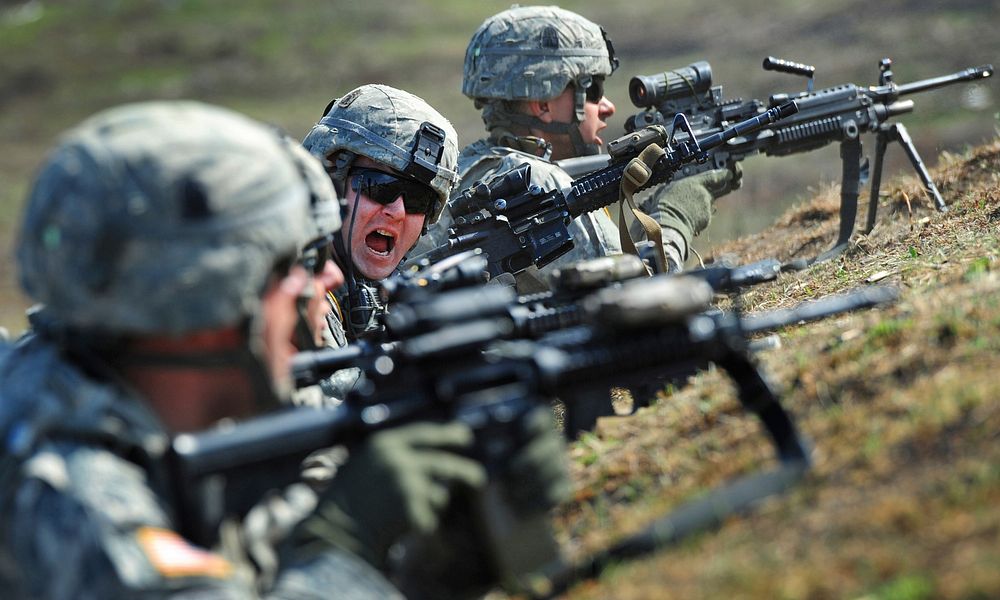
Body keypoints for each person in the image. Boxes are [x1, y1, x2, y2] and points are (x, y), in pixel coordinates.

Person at [0, 101, 510, 599]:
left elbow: (269, 557)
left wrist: (440, 564)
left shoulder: (158, 418)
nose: (326, 278)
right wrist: (353, 540)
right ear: (217, 297)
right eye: (296, 262)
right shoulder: (70, 488)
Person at [415, 5, 738, 286]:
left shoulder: (471, 170)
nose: (607, 107)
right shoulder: (540, 185)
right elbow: (642, 294)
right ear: (543, 101)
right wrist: (676, 214)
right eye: (593, 90)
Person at [300, 84, 460, 402]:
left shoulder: (365, 291)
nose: (398, 211)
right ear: (331, 184)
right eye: (380, 187)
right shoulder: (290, 289)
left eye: (418, 199)